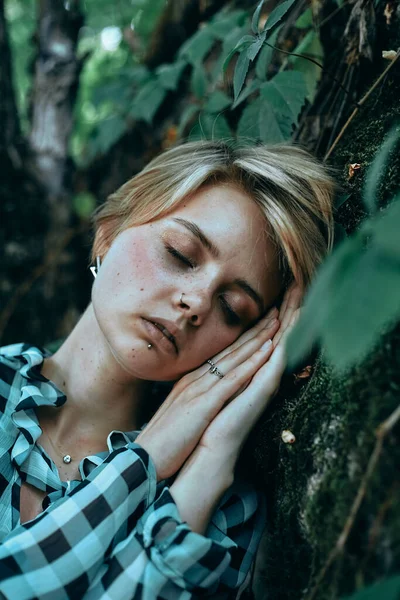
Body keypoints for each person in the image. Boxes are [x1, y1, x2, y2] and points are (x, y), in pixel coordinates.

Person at [0, 140, 335, 599]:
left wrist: (212, 458)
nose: (195, 303)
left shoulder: (224, 509)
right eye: (180, 253)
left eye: (233, 308)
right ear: (110, 230)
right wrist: (151, 455)